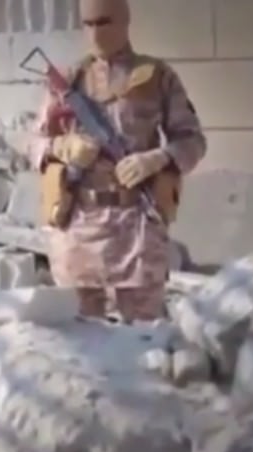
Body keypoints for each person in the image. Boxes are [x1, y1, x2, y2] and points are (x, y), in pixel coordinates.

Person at [30, 0, 206, 322]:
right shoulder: (68, 81)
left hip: (136, 227)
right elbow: (33, 145)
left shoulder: (156, 77)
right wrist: (62, 146)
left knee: (143, 335)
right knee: (80, 336)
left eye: (104, 22)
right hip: (78, 228)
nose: (95, 33)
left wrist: (158, 158)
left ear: (125, 21)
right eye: (88, 24)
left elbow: (192, 142)